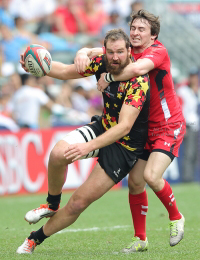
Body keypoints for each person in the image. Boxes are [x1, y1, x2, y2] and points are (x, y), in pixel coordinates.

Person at [16, 28, 150, 254]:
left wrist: (86, 147)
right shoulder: (102, 63)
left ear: (129, 51)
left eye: (120, 52)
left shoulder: (139, 81)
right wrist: (38, 66)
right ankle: (51, 204)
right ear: (104, 51)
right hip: (103, 126)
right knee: (58, 153)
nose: (115, 57)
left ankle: (34, 239)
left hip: (125, 146)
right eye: (110, 52)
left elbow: (124, 127)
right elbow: (67, 71)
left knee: (78, 203)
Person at [74, 9, 186, 252]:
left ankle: (176, 217)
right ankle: (141, 239)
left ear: (153, 35)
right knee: (135, 183)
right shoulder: (126, 51)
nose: (135, 32)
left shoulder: (157, 51)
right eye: (133, 28)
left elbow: (136, 70)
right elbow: (95, 52)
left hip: (168, 125)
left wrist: (109, 78)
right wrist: (82, 52)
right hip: (145, 128)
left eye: (141, 29)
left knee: (151, 177)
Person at [177, 68, 200, 182]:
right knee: (188, 153)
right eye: (192, 76)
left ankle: (192, 177)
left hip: (196, 126)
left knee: (195, 154)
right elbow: (181, 108)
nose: (194, 78)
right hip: (188, 125)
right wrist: (183, 125)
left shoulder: (196, 91)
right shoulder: (183, 90)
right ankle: (187, 178)